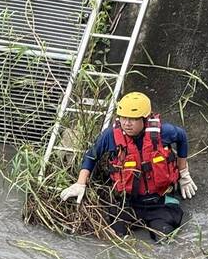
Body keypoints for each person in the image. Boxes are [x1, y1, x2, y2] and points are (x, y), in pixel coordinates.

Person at [60, 90, 197, 241]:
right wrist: (81, 183)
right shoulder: (110, 135)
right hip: (128, 203)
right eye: (123, 118)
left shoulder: (163, 132)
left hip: (160, 203)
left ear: (145, 119)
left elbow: (182, 137)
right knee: (116, 239)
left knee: (164, 240)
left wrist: (184, 172)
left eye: (132, 119)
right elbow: (91, 156)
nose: (126, 123)